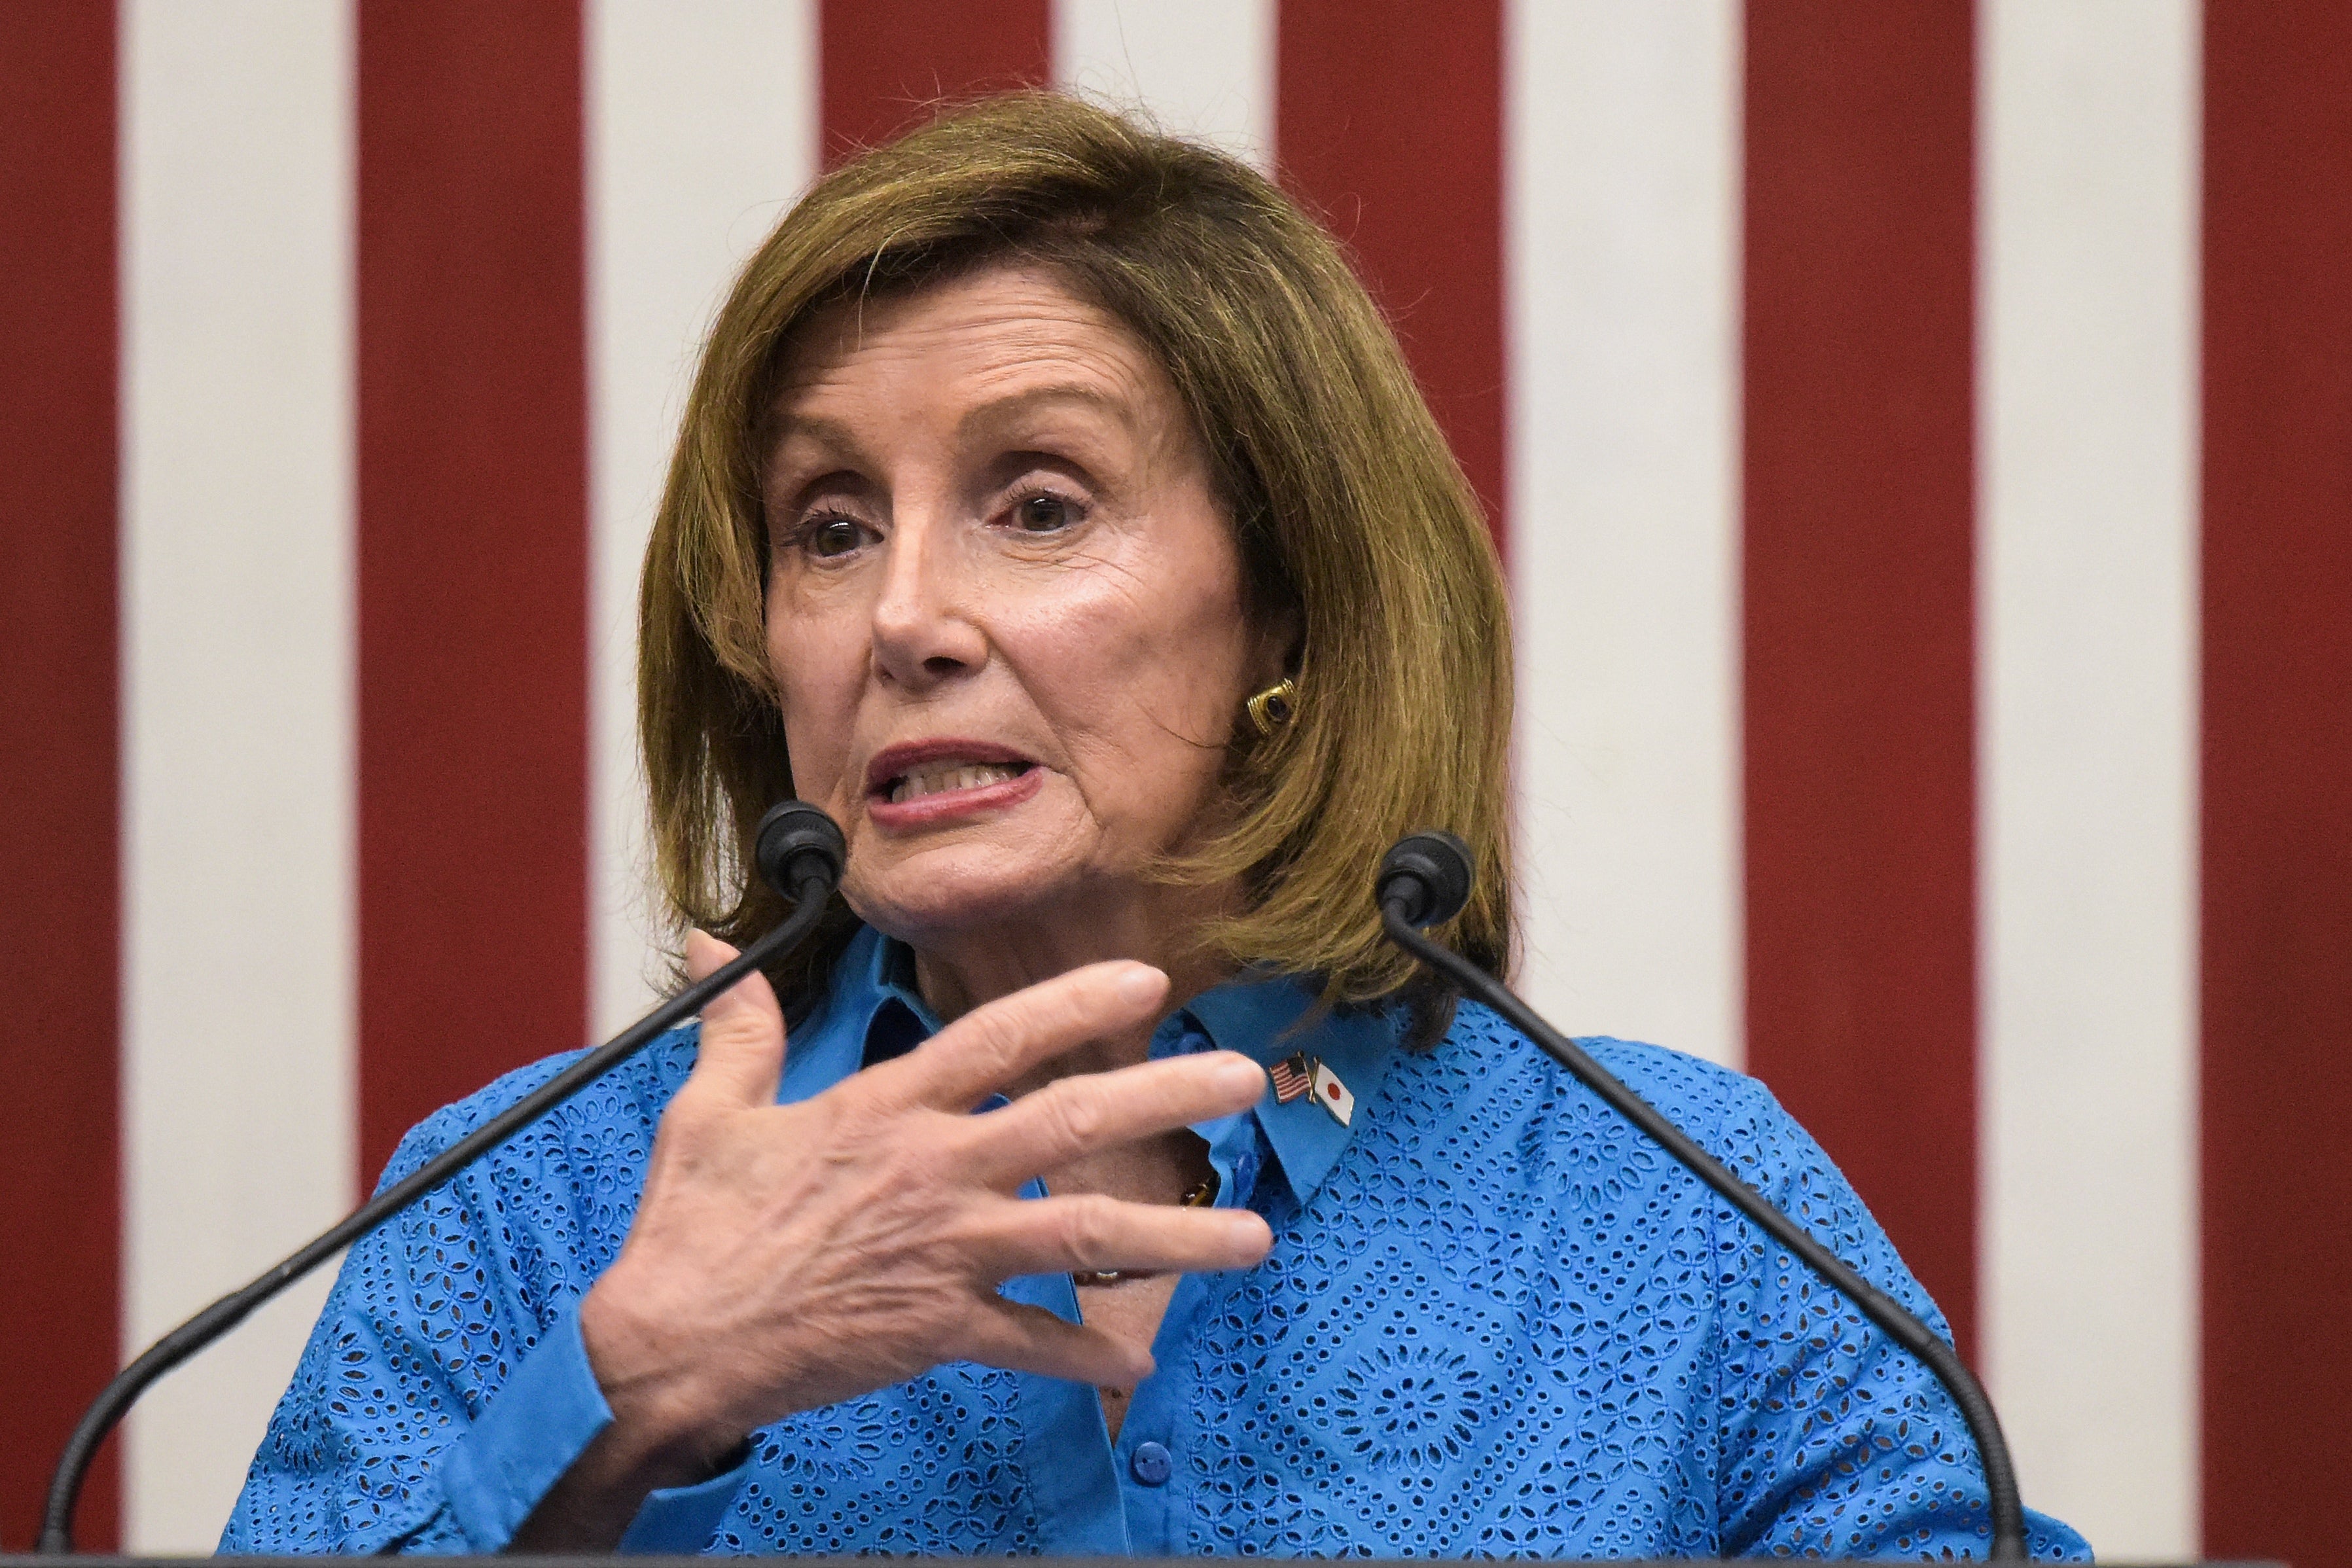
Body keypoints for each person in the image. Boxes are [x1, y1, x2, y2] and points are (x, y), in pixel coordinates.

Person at [223, 94, 2088, 1558]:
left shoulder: (1664, 1211)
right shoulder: (534, 1201)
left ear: (1286, 603)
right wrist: (628, 1400)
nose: (903, 619)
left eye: (1036, 504)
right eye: (830, 525)